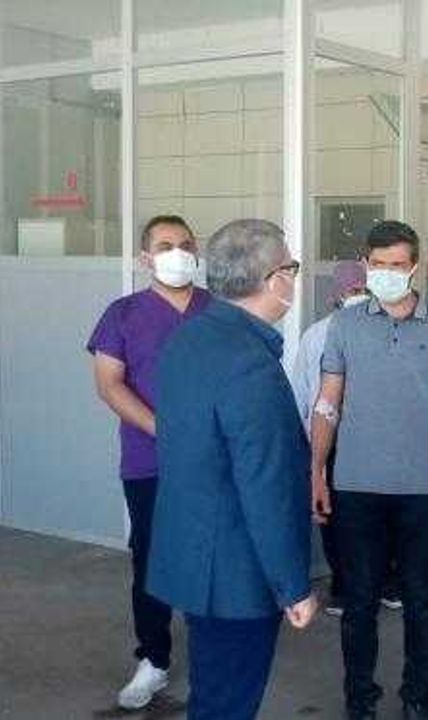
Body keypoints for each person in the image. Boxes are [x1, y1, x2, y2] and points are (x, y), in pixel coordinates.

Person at [147, 219, 317, 720]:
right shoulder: (249, 363)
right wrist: (293, 585)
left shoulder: (188, 339)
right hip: (236, 571)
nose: (292, 278)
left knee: (213, 691)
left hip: (192, 553)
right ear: (272, 279)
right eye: (291, 268)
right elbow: (266, 487)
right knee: (229, 703)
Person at [310, 221, 428, 720]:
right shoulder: (345, 325)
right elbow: (328, 401)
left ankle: (418, 695)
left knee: (420, 598)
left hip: (421, 488)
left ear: (415, 267)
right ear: (365, 265)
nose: (386, 273)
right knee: (359, 601)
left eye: (397, 265)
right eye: (377, 264)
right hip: (356, 485)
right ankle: (360, 698)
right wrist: (316, 470)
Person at [86, 214, 211, 710]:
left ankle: (212, 653)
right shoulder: (123, 314)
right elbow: (109, 384)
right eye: (164, 246)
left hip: (212, 462)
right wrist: (165, 430)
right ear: (145, 258)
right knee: (153, 559)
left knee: (211, 555)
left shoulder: (216, 311)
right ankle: (154, 659)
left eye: (185, 244)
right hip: (149, 461)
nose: (178, 253)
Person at [287, 260, 368, 617]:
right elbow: (302, 390)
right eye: (352, 290)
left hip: (371, 441)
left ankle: (385, 581)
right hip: (328, 440)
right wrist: (307, 446)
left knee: (375, 512)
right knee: (333, 516)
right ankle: (343, 586)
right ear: (336, 295)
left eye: (363, 289)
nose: (358, 295)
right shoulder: (316, 335)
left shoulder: (387, 330)